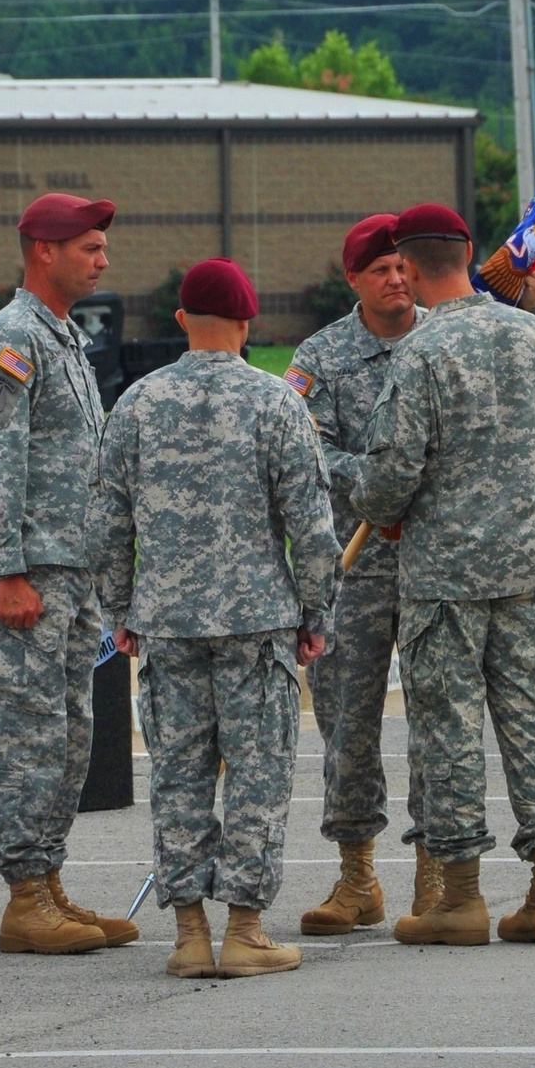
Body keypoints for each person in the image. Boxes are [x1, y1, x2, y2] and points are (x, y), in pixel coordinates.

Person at [92, 257, 342, 980]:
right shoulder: (276, 403)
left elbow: (106, 522)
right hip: (256, 624)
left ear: (180, 322)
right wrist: (315, 612)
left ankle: (189, 932)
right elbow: (313, 526)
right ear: (248, 320)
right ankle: (247, 928)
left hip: (166, 623)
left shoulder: (136, 403)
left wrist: (120, 609)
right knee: (258, 776)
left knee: (177, 775)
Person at [350, 203, 535, 947]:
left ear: (412, 269)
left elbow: (393, 467)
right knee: (531, 721)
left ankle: (459, 898)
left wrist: (380, 506)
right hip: (526, 563)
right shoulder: (534, 335)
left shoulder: (420, 351)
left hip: (445, 573)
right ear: (469, 255)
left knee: (448, 729)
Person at [0, 192, 138, 955]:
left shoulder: (62, 336)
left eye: (100, 246)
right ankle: (24, 896)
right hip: (25, 572)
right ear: (44, 250)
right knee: (26, 735)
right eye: (89, 247)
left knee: (68, 734)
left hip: (70, 570)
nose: (102, 259)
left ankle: (50, 882)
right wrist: (6, 569)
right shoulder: (10, 339)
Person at [284, 214, 437, 936]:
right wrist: (380, 485)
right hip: (356, 567)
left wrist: (413, 488)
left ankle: (439, 873)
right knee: (347, 723)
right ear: (354, 279)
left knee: (441, 720)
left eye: (403, 265)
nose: (397, 278)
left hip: (439, 563)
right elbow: (310, 454)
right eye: (380, 269)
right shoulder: (320, 356)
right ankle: (357, 876)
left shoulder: (445, 339)